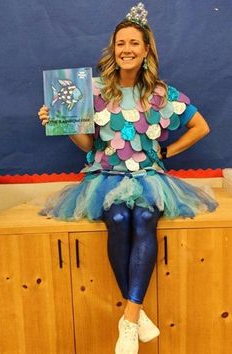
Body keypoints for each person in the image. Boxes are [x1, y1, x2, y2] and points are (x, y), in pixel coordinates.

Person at [38, 3, 218, 354]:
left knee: (146, 215)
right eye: (121, 43)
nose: (127, 50)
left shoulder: (161, 94)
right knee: (118, 217)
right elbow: (88, 144)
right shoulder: (95, 91)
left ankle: (129, 319)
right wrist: (60, 124)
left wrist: (166, 153)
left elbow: (201, 127)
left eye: (134, 43)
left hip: (149, 176)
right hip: (105, 177)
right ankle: (136, 312)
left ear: (146, 49)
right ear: (113, 49)